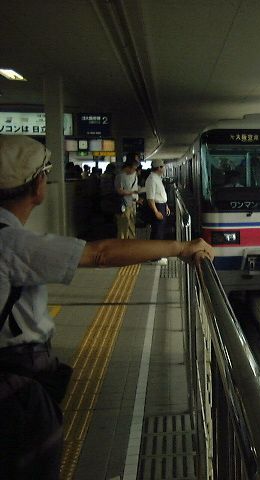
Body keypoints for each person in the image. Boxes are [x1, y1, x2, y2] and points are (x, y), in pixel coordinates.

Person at [0, 134, 214, 479]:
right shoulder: (11, 242)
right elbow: (100, 254)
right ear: (38, 185)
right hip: (15, 385)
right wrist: (179, 248)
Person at [146, 159, 170, 264]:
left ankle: (157, 255)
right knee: (157, 233)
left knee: (160, 232)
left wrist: (166, 206)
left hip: (162, 206)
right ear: (159, 168)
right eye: (163, 166)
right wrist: (156, 212)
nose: (164, 168)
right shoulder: (151, 179)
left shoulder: (157, 178)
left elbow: (160, 195)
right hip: (157, 207)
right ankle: (154, 258)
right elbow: (150, 199)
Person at [114, 156, 140, 239]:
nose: (134, 171)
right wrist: (132, 192)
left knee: (131, 226)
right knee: (123, 228)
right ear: (128, 167)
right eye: (133, 169)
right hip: (123, 206)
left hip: (131, 204)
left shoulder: (134, 175)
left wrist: (136, 198)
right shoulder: (120, 176)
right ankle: (122, 244)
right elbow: (119, 191)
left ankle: (131, 243)